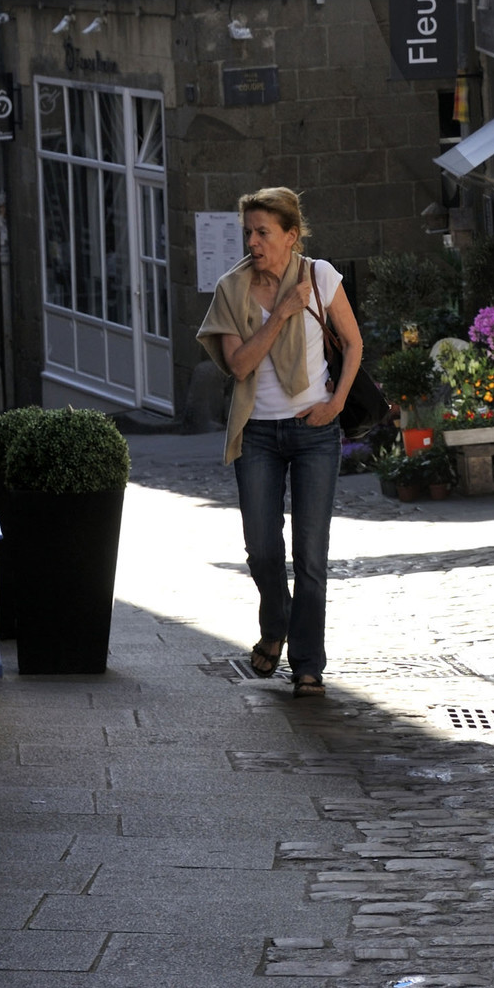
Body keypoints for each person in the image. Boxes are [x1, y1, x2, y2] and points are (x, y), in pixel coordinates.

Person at [196, 186, 363, 698]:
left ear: (291, 236)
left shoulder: (321, 276)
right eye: (248, 231)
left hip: (314, 430)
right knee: (263, 551)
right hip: (259, 434)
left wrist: (335, 406)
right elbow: (239, 364)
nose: (253, 241)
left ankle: (307, 664)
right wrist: (283, 314)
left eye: (263, 232)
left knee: (311, 556)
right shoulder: (233, 288)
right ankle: (276, 625)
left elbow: (354, 343)